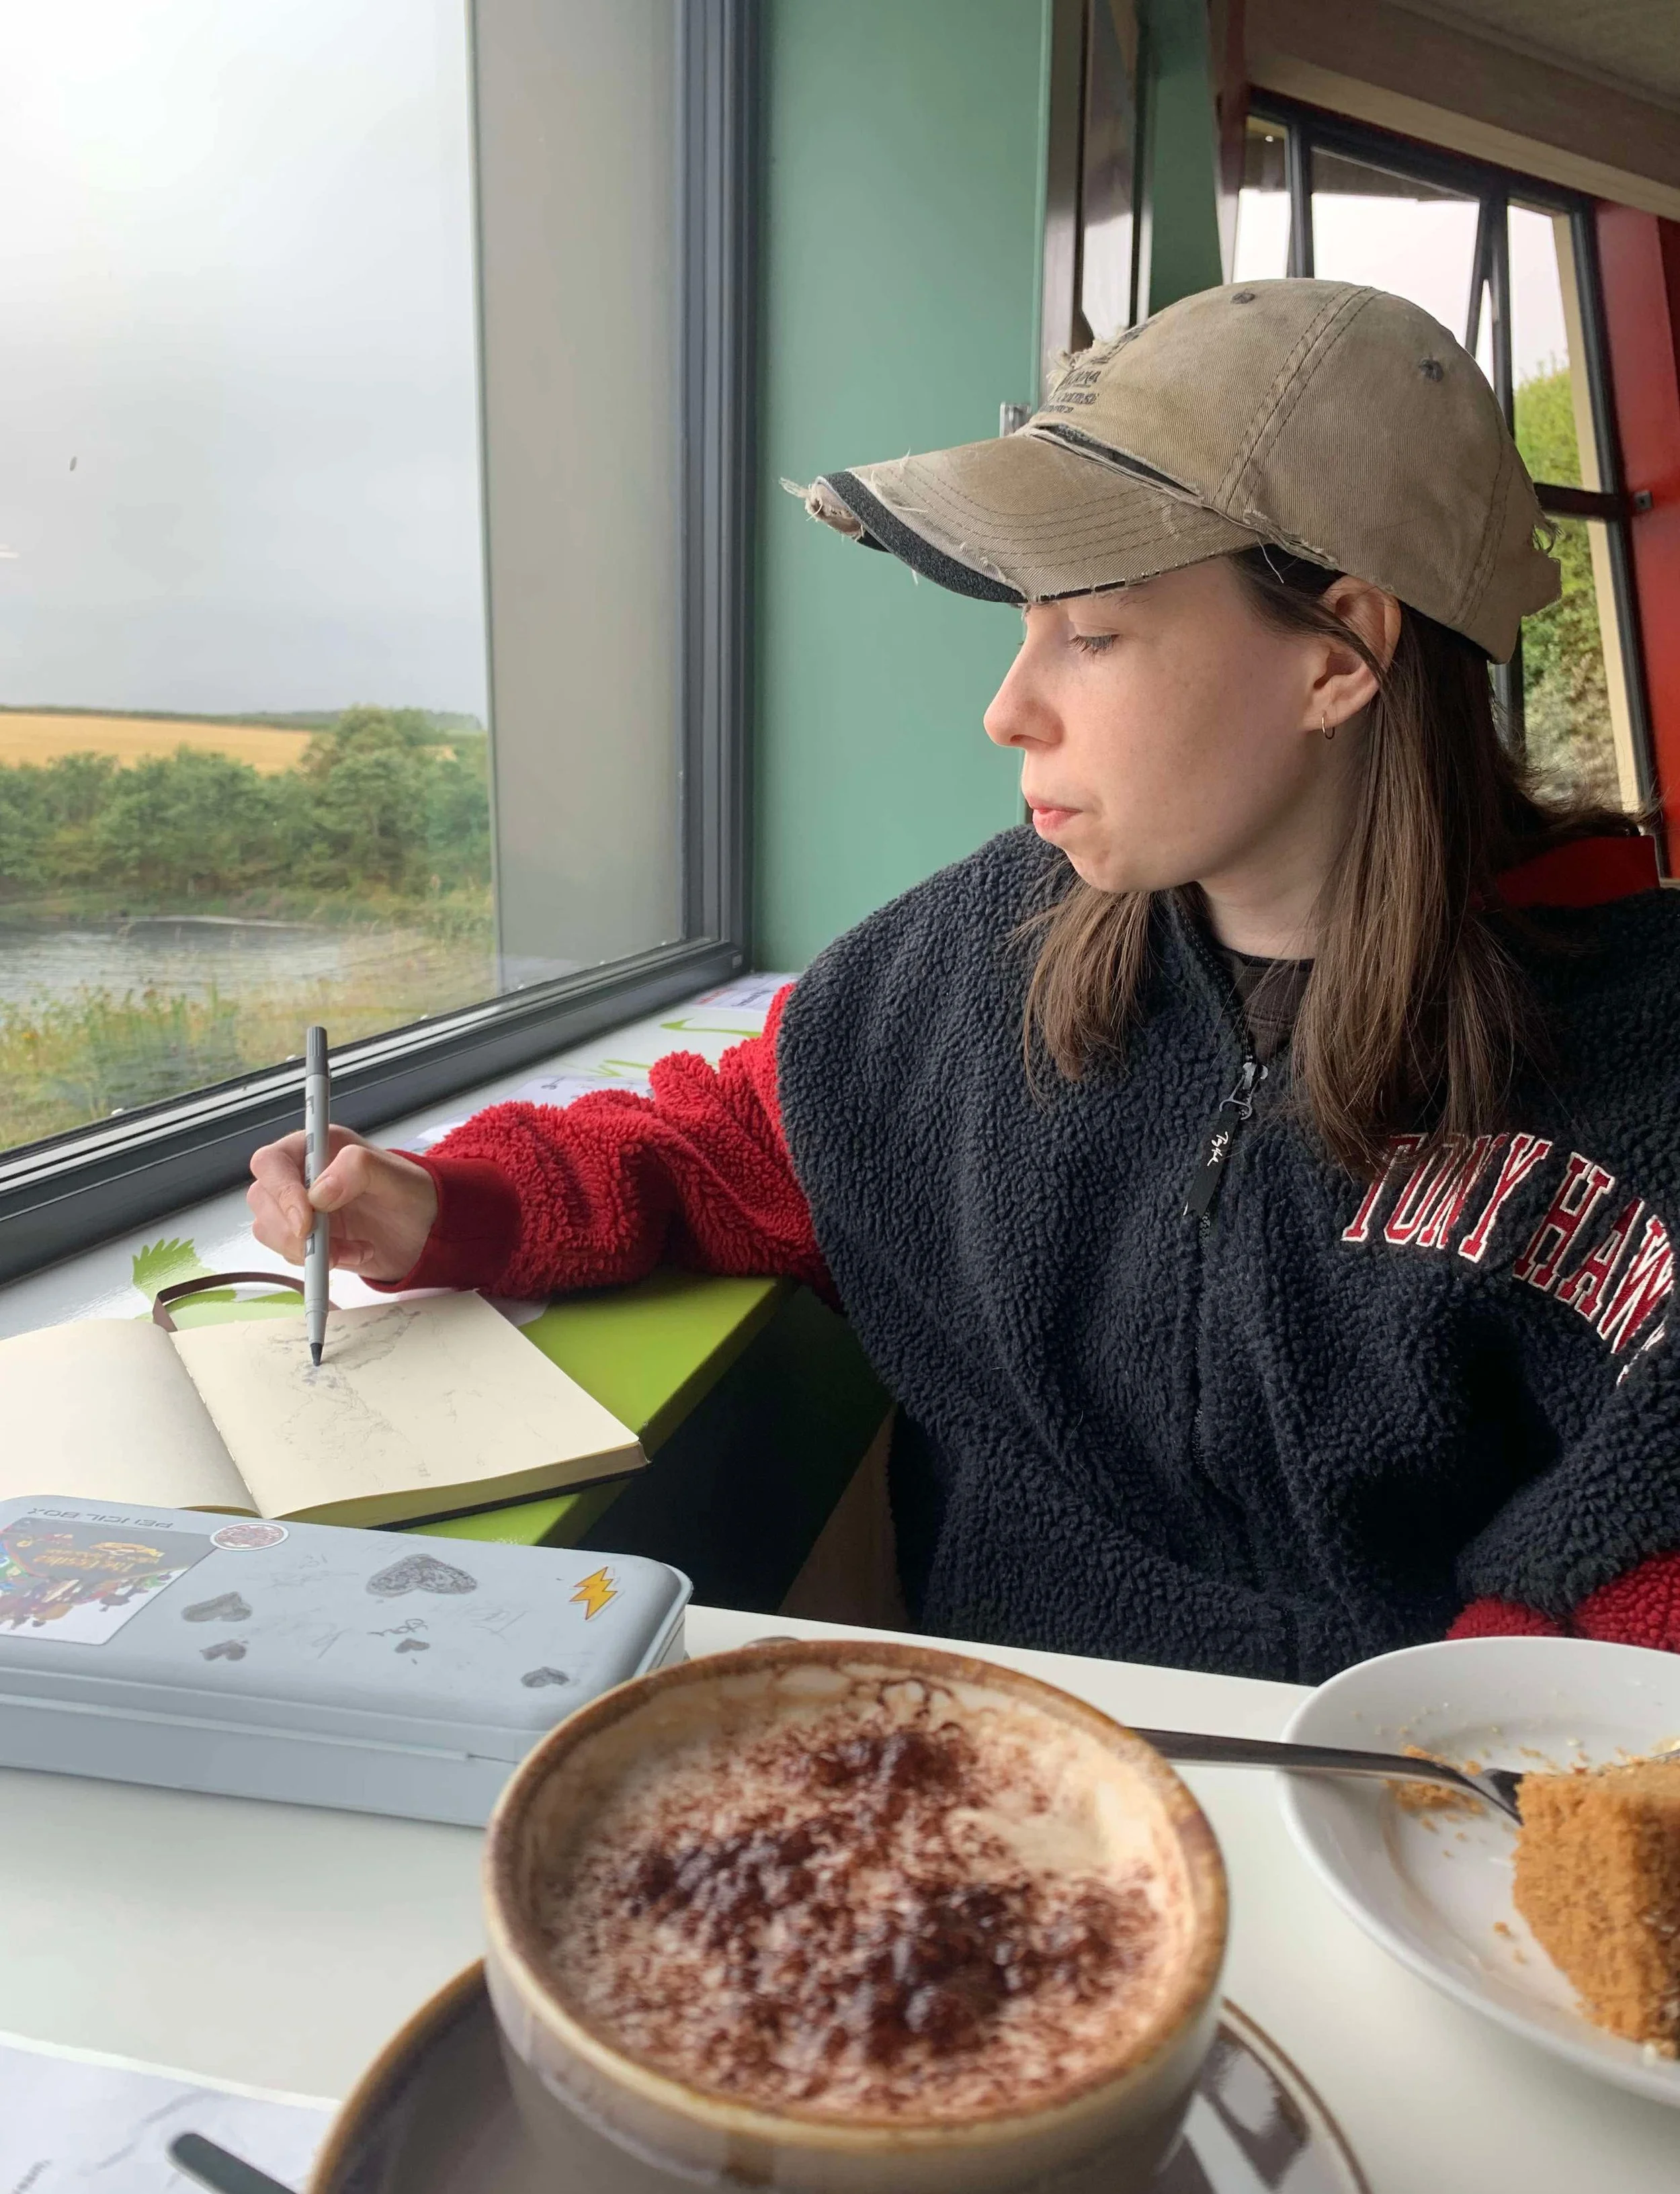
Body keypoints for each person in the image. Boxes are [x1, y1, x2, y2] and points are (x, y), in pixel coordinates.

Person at [249, 280, 1680, 1684]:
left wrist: (1414, 1793)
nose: (1008, 707)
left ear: (1339, 654)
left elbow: (1615, 1648)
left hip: (1390, 1835)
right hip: (981, 1783)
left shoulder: (1640, 1071)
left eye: (1092, 632)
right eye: (1023, 624)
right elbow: (748, 1138)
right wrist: (448, 1204)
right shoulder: (989, 949)